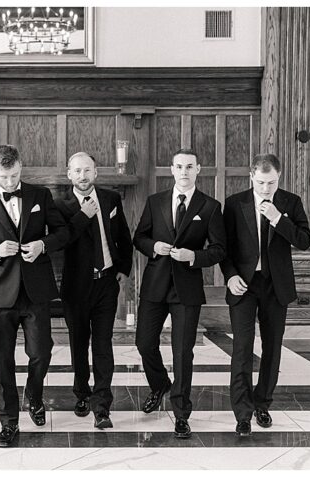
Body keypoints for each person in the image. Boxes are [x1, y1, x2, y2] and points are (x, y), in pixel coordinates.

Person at [0, 145, 69, 447]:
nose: (9, 182)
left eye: (13, 175)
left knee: (42, 352)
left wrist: (44, 245)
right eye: (3, 176)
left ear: (20, 167)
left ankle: (34, 395)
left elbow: (62, 233)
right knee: (2, 362)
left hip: (36, 289)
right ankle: (9, 421)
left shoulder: (41, 197)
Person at [133, 148, 226, 439]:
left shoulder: (210, 206)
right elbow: (139, 237)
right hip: (155, 284)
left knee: (183, 353)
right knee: (144, 342)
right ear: (171, 169)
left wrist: (193, 256)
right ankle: (160, 383)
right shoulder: (155, 201)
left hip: (186, 288)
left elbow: (219, 250)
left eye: (189, 166)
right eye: (179, 166)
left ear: (198, 169)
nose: (184, 171)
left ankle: (182, 413)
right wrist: (152, 247)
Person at [221, 154, 310, 436]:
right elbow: (223, 246)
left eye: (270, 182)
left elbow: (304, 241)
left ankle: (262, 403)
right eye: (260, 182)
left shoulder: (290, 202)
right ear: (251, 176)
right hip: (244, 286)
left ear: (279, 176)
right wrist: (230, 275)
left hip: (276, 286)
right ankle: (242, 414)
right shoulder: (235, 203)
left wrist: (278, 220)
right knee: (242, 349)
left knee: (272, 349)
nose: (265, 189)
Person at [53, 152, 133, 429]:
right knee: (78, 343)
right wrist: (84, 216)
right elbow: (62, 240)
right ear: (69, 174)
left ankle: (102, 406)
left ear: (96, 173)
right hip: (76, 286)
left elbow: (123, 236)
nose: (83, 176)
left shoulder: (111, 199)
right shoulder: (60, 205)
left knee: (102, 344)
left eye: (87, 170)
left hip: (106, 282)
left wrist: (124, 268)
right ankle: (81, 394)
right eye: (77, 171)